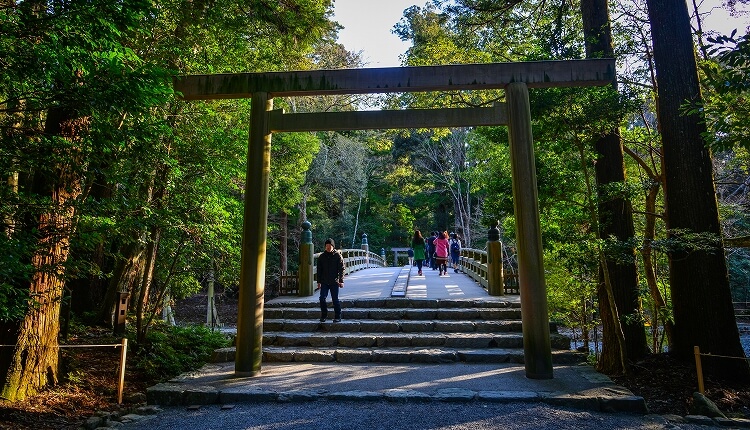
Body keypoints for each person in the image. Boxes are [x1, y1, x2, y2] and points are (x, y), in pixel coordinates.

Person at [317, 238, 345, 323]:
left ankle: (337, 316)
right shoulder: (322, 257)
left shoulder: (337, 255)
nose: (328, 248)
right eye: (326, 246)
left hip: (334, 281)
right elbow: (319, 270)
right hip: (324, 281)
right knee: (322, 298)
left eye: (329, 246)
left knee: (335, 299)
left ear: (333, 246)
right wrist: (318, 282)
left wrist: (341, 280)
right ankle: (324, 315)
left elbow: (342, 268)